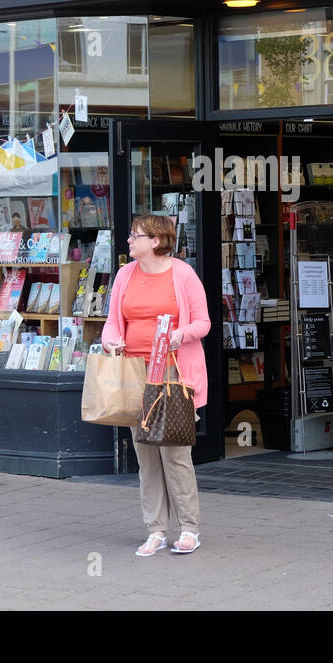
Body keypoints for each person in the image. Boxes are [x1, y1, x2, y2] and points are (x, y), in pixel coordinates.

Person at [101, 214, 211, 556]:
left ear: (156, 241)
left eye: (136, 236)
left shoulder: (183, 274)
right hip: (135, 371)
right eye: (131, 235)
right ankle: (156, 529)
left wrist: (181, 334)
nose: (129, 240)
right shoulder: (124, 275)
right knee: (145, 454)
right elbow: (111, 323)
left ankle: (189, 528)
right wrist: (111, 342)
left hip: (171, 373)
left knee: (175, 453)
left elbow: (203, 322)